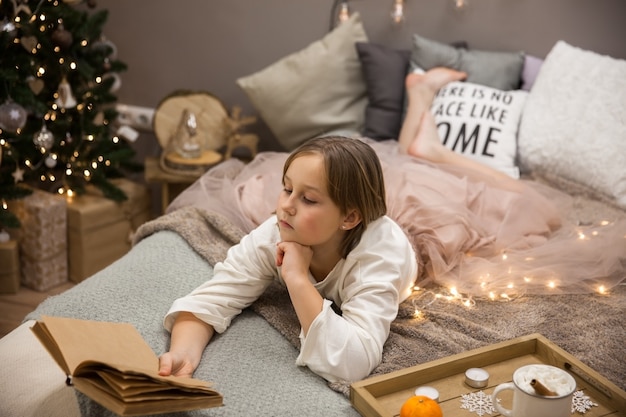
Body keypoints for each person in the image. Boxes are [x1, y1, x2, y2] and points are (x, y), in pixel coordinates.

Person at [159, 136, 419, 383]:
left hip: (391, 253)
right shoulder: (273, 234)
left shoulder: (377, 259)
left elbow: (355, 362)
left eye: (308, 199)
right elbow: (213, 298)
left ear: (349, 218)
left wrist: (296, 278)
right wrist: (183, 353)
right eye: (287, 188)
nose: (286, 206)